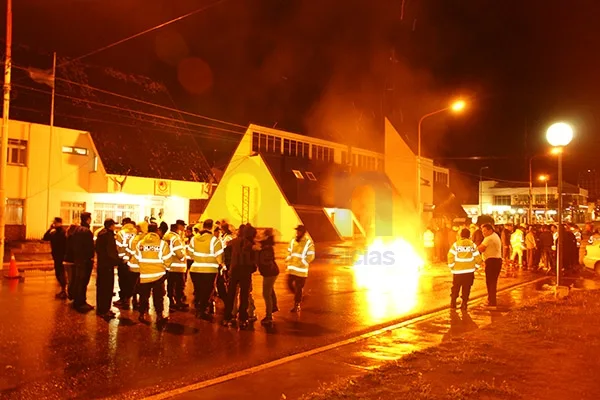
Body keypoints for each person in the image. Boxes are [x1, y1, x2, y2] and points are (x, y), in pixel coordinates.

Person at [223, 224, 258, 328]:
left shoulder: (233, 242)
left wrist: (229, 267)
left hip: (234, 271)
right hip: (245, 272)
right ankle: (243, 318)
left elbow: (226, 254)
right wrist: (252, 268)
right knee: (244, 296)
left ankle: (227, 317)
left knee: (231, 295)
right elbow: (252, 260)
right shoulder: (249, 244)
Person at [187, 219, 223, 320]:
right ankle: (202, 310)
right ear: (212, 227)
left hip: (195, 269)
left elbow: (190, 253)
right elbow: (220, 257)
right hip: (210, 271)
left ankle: (198, 308)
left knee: (198, 290)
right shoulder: (214, 240)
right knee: (207, 291)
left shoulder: (194, 239)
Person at [136, 223, 169, 324]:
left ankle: (142, 314)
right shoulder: (162, 244)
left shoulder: (140, 243)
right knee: (158, 296)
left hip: (144, 274)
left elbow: (137, 258)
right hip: (158, 275)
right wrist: (165, 268)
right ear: (157, 230)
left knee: (144, 296)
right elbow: (167, 260)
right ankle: (159, 315)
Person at [448, 228, 482, 310]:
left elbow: (450, 256)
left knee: (456, 287)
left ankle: (453, 303)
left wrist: (452, 267)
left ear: (460, 235)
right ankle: (464, 304)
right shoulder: (472, 245)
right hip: (469, 272)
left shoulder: (456, 245)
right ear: (469, 235)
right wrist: (476, 267)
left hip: (457, 272)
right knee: (466, 287)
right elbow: (478, 258)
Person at [68, 212, 95, 312]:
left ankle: (78, 301)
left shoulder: (77, 230)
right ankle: (81, 302)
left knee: (79, 280)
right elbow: (89, 247)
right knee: (83, 282)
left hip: (78, 259)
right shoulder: (86, 231)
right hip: (85, 260)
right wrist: (91, 258)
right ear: (88, 219)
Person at [286, 225, 315, 312]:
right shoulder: (293, 241)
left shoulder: (308, 242)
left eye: (299, 231)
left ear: (303, 232)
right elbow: (289, 251)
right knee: (289, 285)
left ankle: (297, 305)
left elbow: (311, 256)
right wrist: (288, 259)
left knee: (298, 288)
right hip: (292, 269)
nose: (297, 233)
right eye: (297, 231)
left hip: (301, 271)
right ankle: (300, 296)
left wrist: (303, 263)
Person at [95, 219, 119, 319]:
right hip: (107, 265)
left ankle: (100, 309)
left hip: (101, 264)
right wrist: (117, 261)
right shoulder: (108, 235)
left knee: (101, 287)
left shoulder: (100, 233)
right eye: (114, 225)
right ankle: (105, 310)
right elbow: (111, 251)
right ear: (111, 226)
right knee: (107, 288)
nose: (115, 227)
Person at [113, 218, 137, 310]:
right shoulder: (136, 232)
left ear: (124, 223)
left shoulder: (121, 233)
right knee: (131, 280)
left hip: (123, 260)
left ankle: (123, 299)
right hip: (133, 260)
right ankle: (130, 298)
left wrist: (119, 258)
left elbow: (118, 247)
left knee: (123, 280)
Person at [164, 223, 189, 311]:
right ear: (177, 229)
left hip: (169, 265)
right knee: (179, 285)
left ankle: (171, 300)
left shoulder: (166, 237)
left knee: (170, 285)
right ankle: (178, 301)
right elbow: (178, 252)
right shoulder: (175, 238)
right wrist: (183, 257)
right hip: (178, 266)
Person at [258, 228, 279, 325]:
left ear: (267, 236)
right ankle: (274, 306)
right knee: (270, 290)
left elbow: (265, 261)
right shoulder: (266, 246)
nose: (260, 235)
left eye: (263, 234)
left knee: (266, 293)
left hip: (270, 273)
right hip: (271, 272)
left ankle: (269, 316)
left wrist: (257, 254)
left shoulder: (267, 248)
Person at [478, 223, 502, 307]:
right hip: (496, 261)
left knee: (490, 282)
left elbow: (481, 248)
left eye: (485, 231)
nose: (483, 233)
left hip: (492, 262)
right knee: (492, 282)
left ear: (490, 230)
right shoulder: (495, 236)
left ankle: (491, 302)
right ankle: (491, 300)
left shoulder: (489, 238)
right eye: (482, 231)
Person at [43, 217, 67, 299]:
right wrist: (50, 229)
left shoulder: (63, 233)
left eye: (55, 222)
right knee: (58, 273)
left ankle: (64, 290)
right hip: (56, 256)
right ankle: (63, 290)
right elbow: (45, 238)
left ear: (60, 223)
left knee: (61, 273)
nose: (54, 224)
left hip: (62, 256)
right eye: (54, 222)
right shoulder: (54, 233)